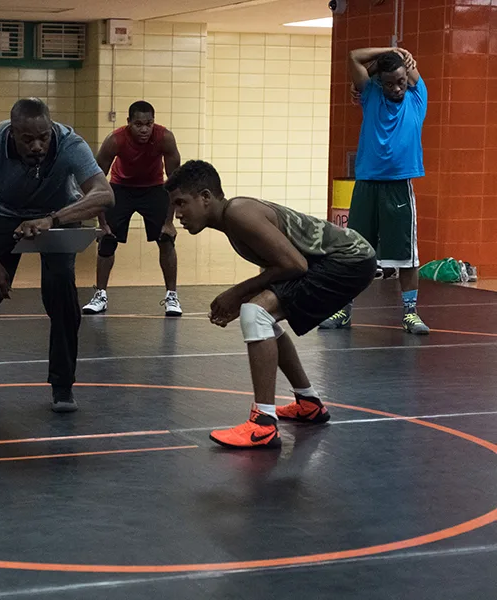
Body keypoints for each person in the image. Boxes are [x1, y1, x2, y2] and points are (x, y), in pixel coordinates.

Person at [165, 161, 376, 449]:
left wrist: (237, 294)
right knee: (260, 314)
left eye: (181, 203)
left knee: (256, 313)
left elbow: (294, 265)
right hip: (346, 260)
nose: (177, 214)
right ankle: (308, 403)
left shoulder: (238, 213)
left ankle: (262, 424)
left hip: (349, 260)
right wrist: (240, 298)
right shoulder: (233, 220)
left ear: (205, 197)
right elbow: (280, 268)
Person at [0, 98, 114, 412]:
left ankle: (62, 385)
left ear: (52, 130)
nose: (37, 146)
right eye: (27, 139)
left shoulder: (70, 144)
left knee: (61, 291)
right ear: (12, 133)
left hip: (58, 213)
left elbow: (104, 194)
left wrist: (52, 219)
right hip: (4, 213)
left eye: (44, 137)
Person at [319, 47, 429, 334]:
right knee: (354, 252)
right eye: (390, 83)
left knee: (406, 256)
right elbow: (354, 57)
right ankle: (343, 311)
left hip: (398, 187)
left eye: (401, 81)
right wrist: (389, 51)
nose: (397, 88)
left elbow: (410, 71)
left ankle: (410, 314)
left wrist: (404, 56)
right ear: (380, 82)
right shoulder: (370, 94)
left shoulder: (417, 97)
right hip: (366, 185)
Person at [82, 101, 183, 317]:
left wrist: (169, 222)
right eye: (138, 124)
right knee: (107, 241)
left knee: (166, 239)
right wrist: (103, 224)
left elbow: (175, 181)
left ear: (153, 122)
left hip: (154, 188)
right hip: (121, 188)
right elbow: (96, 183)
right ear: (129, 122)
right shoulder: (115, 140)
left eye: (148, 124)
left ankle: (172, 296)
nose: (144, 129)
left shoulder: (165, 137)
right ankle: (100, 295)